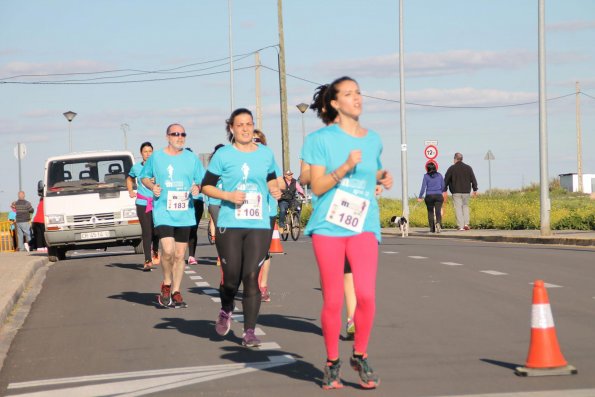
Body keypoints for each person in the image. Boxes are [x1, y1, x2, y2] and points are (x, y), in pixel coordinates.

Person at [302, 76, 393, 390]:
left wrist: (383, 176)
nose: (357, 98)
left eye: (358, 92)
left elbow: (373, 170)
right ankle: (331, 362)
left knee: (366, 296)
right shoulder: (319, 140)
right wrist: (342, 168)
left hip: (364, 224)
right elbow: (316, 186)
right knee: (333, 299)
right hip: (329, 224)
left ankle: (360, 354)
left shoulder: (373, 139)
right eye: (349, 94)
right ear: (335, 103)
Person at [201, 108, 281, 348]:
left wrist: (275, 189)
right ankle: (226, 307)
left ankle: (249, 331)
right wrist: (227, 195)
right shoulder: (223, 156)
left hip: (258, 223)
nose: (245, 128)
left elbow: (271, 179)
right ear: (232, 129)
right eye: (240, 125)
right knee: (232, 278)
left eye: (249, 124)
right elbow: (206, 186)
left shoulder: (265, 154)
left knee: (251, 276)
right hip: (230, 223)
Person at [301, 83, 357, 340]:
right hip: (325, 215)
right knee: (329, 275)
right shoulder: (315, 141)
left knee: (349, 272)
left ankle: (352, 319)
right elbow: (303, 176)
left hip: (351, 213)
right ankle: (333, 314)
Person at [140, 124, 205, 308]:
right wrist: (153, 187)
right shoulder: (157, 157)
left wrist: (197, 187)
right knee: (167, 251)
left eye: (183, 134)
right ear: (167, 136)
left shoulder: (191, 158)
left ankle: (176, 291)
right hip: (164, 211)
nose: (180, 137)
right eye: (175, 134)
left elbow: (202, 179)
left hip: (184, 211)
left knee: (179, 254)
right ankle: (166, 284)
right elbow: (144, 177)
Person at [252, 128, 283, 303]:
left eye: (258, 140)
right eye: (252, 140)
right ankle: (251, 283)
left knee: (265, 252)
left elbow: (280, 183)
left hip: (267, 211)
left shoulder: (268, 158)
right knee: (250, 252)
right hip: (246, 213)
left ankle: (262, 286)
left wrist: (276, 188)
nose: (255, 143)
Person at [127, 141, 160, 271]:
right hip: (142, 202)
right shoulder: (136, 168)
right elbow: (129, 178)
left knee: (157, 231)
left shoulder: (158, 167)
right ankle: (147, 260)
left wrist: (156, 180)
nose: (148, 154)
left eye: (150, 151)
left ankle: (156, 250)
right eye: (145, 152)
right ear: (141, 153)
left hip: (157, 202)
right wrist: (130, 190)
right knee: (147, 232)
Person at [443, 152, 478, 230]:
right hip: (466, 192)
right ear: (462, 159)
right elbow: (473, 179)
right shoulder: (468, 168)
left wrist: (444, 189)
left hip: (456, 192)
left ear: (455, 159)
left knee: (458, 208)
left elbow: (446, 180)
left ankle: (460, 226)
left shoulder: (452, 168)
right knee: (465, 207)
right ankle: (466, 224)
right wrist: (475, 189)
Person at [185, 148, 205, 266]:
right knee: (182, 228)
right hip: (182, 201)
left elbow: (205, 181)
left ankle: (191, 256)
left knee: (193, 228)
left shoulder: (197, 166)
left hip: (197, 200)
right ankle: (179, 253)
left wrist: (198, 186)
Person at [417, 161, 445, 233]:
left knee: (430, 212)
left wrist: (420, 197)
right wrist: (439, 191)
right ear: (435, 167)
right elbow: (443, 186)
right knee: (438, 211)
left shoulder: (426, 176)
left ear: (427, 169)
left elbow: (423, 187)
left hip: (429, 196)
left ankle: (432, 229)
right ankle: (438, 223)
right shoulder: (440, 175)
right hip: (438, 195)